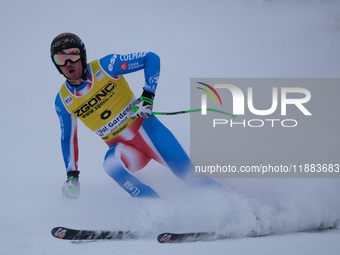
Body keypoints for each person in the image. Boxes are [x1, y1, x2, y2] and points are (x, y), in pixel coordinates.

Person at [51, 32, 222, 199]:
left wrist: (148, 96)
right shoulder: (63, 100)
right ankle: (158, 212)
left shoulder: (106, 66)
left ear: (83, 55)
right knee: (111, 165)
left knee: (189, 175)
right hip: (126, 149)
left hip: (149, 133)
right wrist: (72, 175)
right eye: (60, 59)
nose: (67, 63)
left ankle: (239, 207)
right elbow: (68, 139)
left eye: (72, 55)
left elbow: (150, 58)